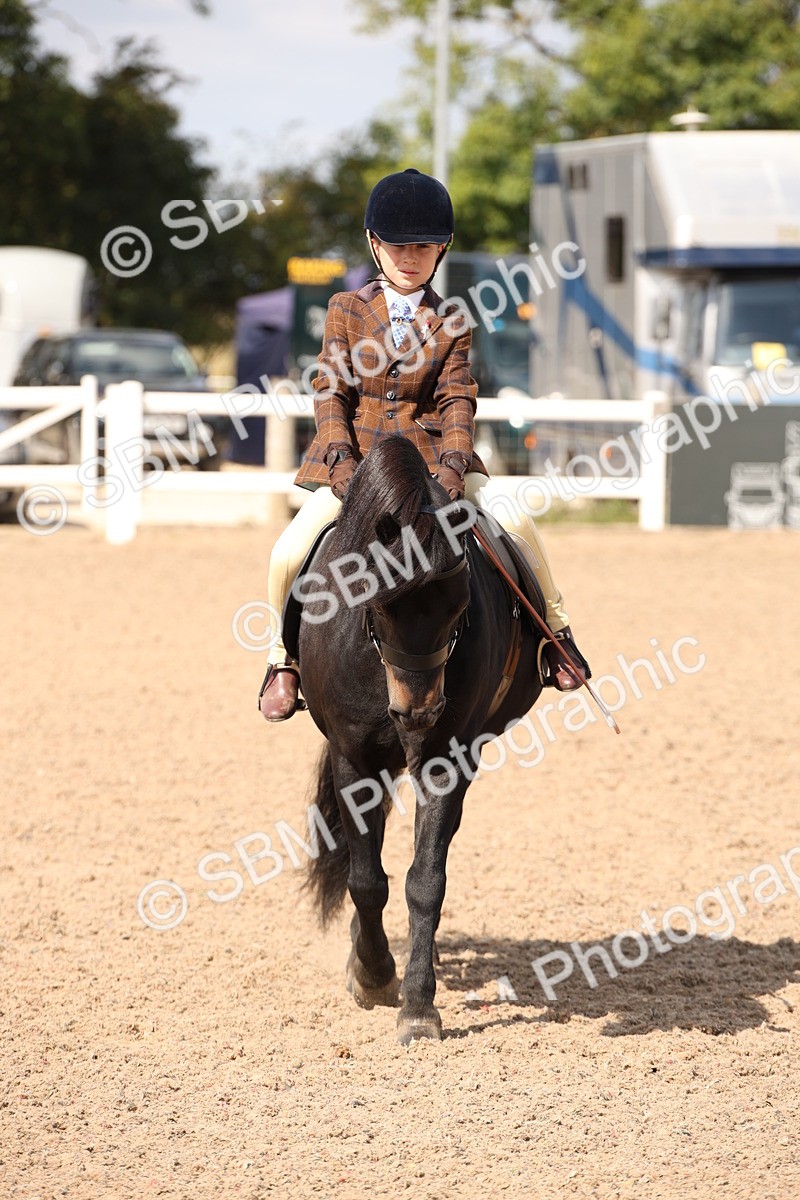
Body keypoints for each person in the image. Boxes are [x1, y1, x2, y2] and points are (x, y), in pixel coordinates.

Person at [259, 167, 591, 721]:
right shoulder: (344, 309)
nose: (410, 257)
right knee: (289, 551)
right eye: (398, 246)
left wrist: (455, 468)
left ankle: (554, 635)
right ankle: (282, 659)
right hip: (357, 462)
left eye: (424, 246)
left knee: (516, 523)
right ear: (374, 244)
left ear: (442, 249)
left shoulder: (452, 319)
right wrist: (341, 461)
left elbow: (458, 397)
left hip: (437, 462)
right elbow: (330, 391)